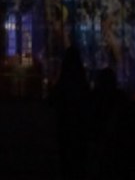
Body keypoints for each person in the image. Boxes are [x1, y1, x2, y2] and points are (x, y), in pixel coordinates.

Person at [48, 47, 89, 179]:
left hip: (64, 130)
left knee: (66, 163)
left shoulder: (62, 85)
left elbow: (50, 101)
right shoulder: (82, 85)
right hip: (80, 132)